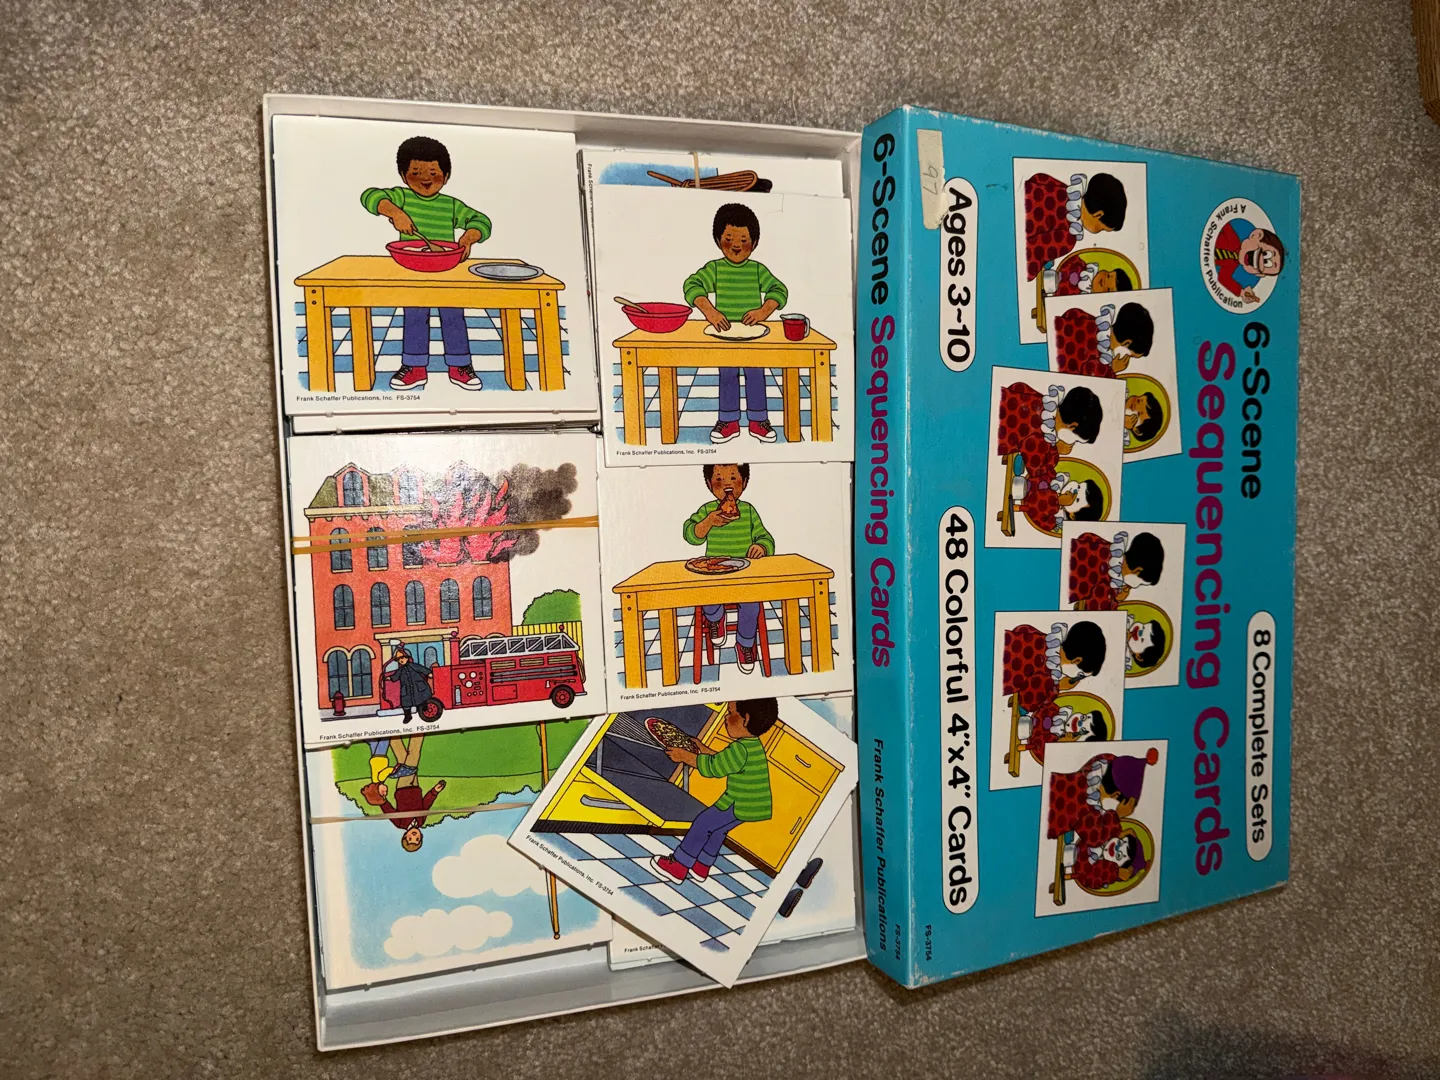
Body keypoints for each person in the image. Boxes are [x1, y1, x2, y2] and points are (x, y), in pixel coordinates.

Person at [361, 135, 492, 392]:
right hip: (413, 270)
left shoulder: (450, 205)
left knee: (453, 316)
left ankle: (460, 366)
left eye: (433, 173)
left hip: (446, 271)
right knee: (415, 316)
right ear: (403, 175)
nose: (426, 179)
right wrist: (395, 212)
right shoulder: (401, 198)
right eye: (416, 173)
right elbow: (370, 196)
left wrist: (469, 237)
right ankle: (414, 367)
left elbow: (481, 221)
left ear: (446, 175)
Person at [683, 203, 788, 444]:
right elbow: (692, 285)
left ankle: (758, 420)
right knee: (728, 376)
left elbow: (779, 290)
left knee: (756, 375)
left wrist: (763, 311)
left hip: (754, 337)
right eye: (729, 239)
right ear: (718, 240)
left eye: (743, 239)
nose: (736, 245)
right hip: (724, 336)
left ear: (755, 242)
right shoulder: (716, 269)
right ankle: (729, 421)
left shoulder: (757, 270)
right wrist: (709, 311)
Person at [650, 699, 776, 884]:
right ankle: (701, 866)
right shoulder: (752, 744)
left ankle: (678, 866)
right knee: (718, 831)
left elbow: (714, 768)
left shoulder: (740, 748)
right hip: (753, 806)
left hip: (738, 803)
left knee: (702, 824)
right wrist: (701, 748)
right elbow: (724, 761)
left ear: (746, 719)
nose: (725, 717)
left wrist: (684, 756)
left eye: (730, 713)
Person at [683, 463, 775, 673]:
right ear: (709, 484)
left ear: (745, 482)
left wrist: (761, 547)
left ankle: (745, 643)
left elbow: (765, 537)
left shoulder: (748, 511)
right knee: (707, 596)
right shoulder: (707, 510)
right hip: (713, 574)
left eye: (733, 478)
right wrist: (708, 522)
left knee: (751, 605)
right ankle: (716, 619)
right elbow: (690, 534)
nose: (727, 484)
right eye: (719, 479)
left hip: (745, 576)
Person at [1002, 620, 1109, 740]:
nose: (1076, 680)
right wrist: (1058, 687)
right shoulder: (1048, 674)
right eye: (1079, 675)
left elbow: (1021, 628)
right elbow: (1026, 703)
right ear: (1076, 660)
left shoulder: (1047, 640)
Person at [1024, 170, 1128, 281]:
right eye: (1102, 229)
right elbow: (1028, 264)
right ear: (1098, 215)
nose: (1099, 232)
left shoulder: (1061, 188)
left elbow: (1036, 179)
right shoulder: (1067, 238)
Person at [1046, 747, 1158, 847]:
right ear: (1116, 795)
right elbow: (1094, 838)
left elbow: (1111, 759)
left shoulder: (1096, 766)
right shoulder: (1087, 807)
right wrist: (1117, 815)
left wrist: (1118, 832)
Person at [361, 736, 447, 853]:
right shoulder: (421, 821)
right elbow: (426, 804)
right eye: (417, 839)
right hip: (415, 786)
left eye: (410, 838)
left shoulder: (400, 823)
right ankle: (393, 735)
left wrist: (381, 800)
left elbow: (388, 811)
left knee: (413, 757)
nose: (414, 836)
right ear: (421, 836)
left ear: (405, 836)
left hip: (403, 788)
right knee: (403, 757)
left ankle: (418, 732)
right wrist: (435, 791)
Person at [1068, 529, 1166, 611]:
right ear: (1137, 571)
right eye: (1140, 583)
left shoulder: (1105, 546)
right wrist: (1116, 600)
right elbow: (1096, 610)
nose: (1136, 586)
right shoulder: (1107, 584)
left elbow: (1085, 536)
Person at [1053, 302, 1155, 377]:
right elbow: (1091, 382)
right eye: (1130, 356)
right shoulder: (1101, 361)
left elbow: (1072, 312)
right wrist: (1113, 370)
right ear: (1126, 343)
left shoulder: (1095, 322)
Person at [1212, 219, 1285, 304]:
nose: (1261, 261)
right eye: (1265, 253)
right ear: (1256, 235)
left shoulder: (1231, 266)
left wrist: (1241, 292)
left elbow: (1223, 278)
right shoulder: (1233, 239)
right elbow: (1223, 223)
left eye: (1265, 265)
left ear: (1259, 274)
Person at [1023, 704, 1112, 765]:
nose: (1079, 722)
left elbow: (1041, 752)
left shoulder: (1059, 754)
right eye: (1084, 717)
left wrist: (1060, 745)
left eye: (1083, 730)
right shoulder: (1057, 711)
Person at [1066, 830, 1147, 890]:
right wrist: (1116, 832)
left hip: (1069, 868)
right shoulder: (1103, 838)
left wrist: (1114, 872)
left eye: (1119, 855)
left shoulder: (1104, 872)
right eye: (1120, 842)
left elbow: (1088, 879)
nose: (1116, 847)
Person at [382, 647, 434, 724]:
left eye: (402, 658)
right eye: (399, 659)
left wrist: (428, 673)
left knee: (421, 698)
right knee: (406, 703)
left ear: (406, 658)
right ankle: (408, 716)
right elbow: (395, 676)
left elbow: (422, 669)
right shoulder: (400, 670)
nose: (401, 660)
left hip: (418, 687)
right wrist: (389, 678)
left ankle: (423, 708)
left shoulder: (413, 666)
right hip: (406, 690)